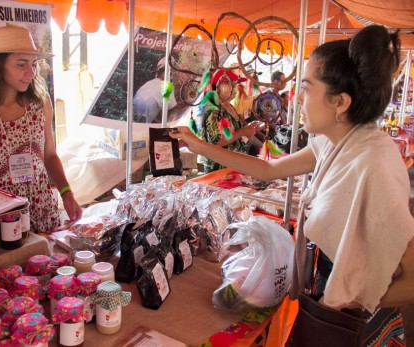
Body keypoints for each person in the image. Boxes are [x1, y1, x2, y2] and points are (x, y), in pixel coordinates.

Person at [171, 25, 414, 345]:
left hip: (353, 327)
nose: (298, 98)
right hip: (325, 305)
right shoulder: (331, 142)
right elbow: (269, 170)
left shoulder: (374, 164)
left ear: (340, 101)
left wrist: (352, 302)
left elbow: (411, 278)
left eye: (307, 88)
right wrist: (201, 147)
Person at [0, 25, 83, 233]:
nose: (30, 72)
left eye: (33, 64)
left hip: (43, 210)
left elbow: (49, 156)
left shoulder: (40, 103)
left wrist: (67, 193)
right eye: (21, 64)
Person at [199, 69, 263, 172]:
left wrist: (249, 129)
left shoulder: (230, 107)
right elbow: (217, 141)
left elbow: (235, 132)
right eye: (230, 84)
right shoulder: (213, 110)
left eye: (235, 84)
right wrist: (243, 131)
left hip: (234, 165)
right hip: (219, 168)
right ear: (219, 86)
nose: (235, 88)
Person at [133, 58, 177, 123]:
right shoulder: (166, 87)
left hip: (133, 123)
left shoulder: (148, 84)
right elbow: (174, 112)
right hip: (142, 127)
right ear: (170, 72)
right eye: (174, 70)